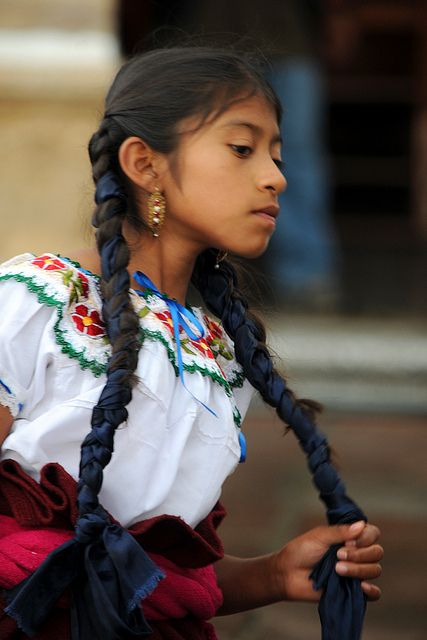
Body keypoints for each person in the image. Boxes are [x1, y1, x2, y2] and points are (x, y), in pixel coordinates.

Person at [0, 47, 382, 640]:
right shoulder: (42, 300)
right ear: (145, 164)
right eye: (242, 148)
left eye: (277, 156)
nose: (276, 176)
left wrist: (274, 574)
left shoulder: (216, 358)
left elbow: (167, 577)